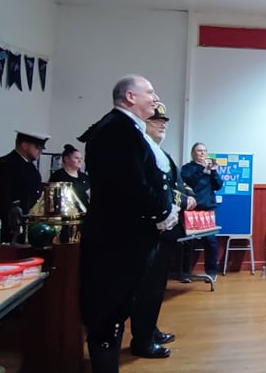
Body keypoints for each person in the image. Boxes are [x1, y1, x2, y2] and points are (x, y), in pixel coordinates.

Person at [77, 74, 178, 373]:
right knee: (108, 310)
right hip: (117, 239)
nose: (155, 98)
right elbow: (131, 184)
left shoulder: (126, 128)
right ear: (130, 97)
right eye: (150, 92)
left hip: (126, 236)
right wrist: (162, 212)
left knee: (117, 308)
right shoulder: (117, 130)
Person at [128, 101, 196, 359]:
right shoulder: (143, 152)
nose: (162, 126)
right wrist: (182, 199)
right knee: (147, 288)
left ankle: (150, 329)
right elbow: (156, 190)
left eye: (164, 122)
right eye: (156, 121)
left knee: (156, 288)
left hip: (167, 229)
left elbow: (178, 184)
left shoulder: (162, 154)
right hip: (150, 229)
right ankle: (142, 339)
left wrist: (186, 194)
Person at [0, 130, 48, 242]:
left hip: (28, 225)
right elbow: (2, 198)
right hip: (8, 227)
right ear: (24, 145)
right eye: (37, 147)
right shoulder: (4, 164)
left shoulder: (31, 167)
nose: (40, 151)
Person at [181, 142, 223, 280]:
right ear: (193, 153)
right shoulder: (188, 168)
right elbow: (189, 182)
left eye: (204, 150)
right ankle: (185, 273)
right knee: (188, 241)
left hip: (208, 209)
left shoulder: (210, 169)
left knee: (210, 241)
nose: (202, 153)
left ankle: (211, 272)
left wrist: (213, 171)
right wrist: (202, 170)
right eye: (199, 151)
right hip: (192, 209)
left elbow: (218, 186)